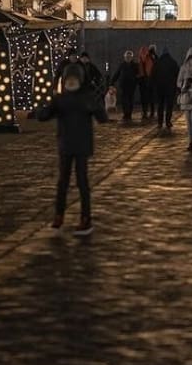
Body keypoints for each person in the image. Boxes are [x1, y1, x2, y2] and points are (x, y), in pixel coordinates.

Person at [36, 63, 108, 235]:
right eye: (68, 80)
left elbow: (102, 117)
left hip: (80, 145)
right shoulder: (61, 99)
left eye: (74, 80)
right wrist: (42, 110)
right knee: (63, 182)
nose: (71, 83)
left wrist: (96, 107)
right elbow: (45, 115)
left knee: (82, 182)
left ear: (80, 81)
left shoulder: (86, 98)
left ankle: (85, 219)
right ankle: (59, 215)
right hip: (66, 145)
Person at [152, 46, 180, 132]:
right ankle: (168, 121)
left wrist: (154, 84)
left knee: (160, 105)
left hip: (159, 87)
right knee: (169, 105)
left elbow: (153, 74)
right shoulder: (173, 62)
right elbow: (177, 74)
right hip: (170, 87)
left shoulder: (157, 62)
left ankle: (160, 122)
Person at [110, 49, 141, 123]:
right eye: (127, 56)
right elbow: (117, 74)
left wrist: (136, 81)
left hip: (131, 85)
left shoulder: (135, 65)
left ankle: (129, 113)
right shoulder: (122, 65)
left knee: (130, 100)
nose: (128, 58)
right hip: (123, 85)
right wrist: (112, 82)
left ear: (131, 57)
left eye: (129, 57)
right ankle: (125, 113)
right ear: (125, 57)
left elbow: (138, 75)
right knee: (124, 100)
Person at [137, 44, 156, 121]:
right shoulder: (152, 57)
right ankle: (151, 112)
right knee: (151, 97)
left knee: (144, 98)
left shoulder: (140, 59)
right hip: (150, 79)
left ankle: (145, 112)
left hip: (142, 80)